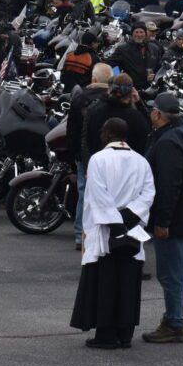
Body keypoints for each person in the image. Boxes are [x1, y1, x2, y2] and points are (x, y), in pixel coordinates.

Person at [71, 116, 157, 350]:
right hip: (132, 230)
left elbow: (98, 193)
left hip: (107, 230)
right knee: (129, 281)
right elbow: (149, 193)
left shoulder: (98, 160)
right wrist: (129, 218)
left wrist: (116, 225)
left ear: (106, 134)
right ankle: (125, 334)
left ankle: (107, 335)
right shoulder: (141, 162)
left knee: (106, 281)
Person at [142, 92, 183, 343]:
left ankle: (174, 322)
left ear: (157, 114)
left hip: (173, 216)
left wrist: (162, 221)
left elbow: (169, 185)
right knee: (181, 267)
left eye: (151, 111)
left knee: (170, 273)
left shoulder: (168, 141)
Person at [66, 63, 113, 249]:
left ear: (93, 79)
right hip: (109, 155)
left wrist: (75, 155)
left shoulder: (80, 99)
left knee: (84, 194)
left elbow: (72, 131)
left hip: (86, 156)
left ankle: (80, 235)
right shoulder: (112, 98)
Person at [84, 74, 152, 162]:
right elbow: (147, 138)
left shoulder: (96, 113)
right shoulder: (137, 117)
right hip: (129, 167)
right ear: (131, 92)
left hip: (101, 164)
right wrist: (139, 104)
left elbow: (89, 141)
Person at [110, 24, 163, 92]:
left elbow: (159, 67)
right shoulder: (123, 49)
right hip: (131, 89)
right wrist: (119, 80)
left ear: (145, 34)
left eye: (141, 32)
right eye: (136, 32)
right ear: (132, 34)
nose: (139, 35)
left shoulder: (154, 48)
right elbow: (112, 65)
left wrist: (155, 77)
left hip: (150, 88)